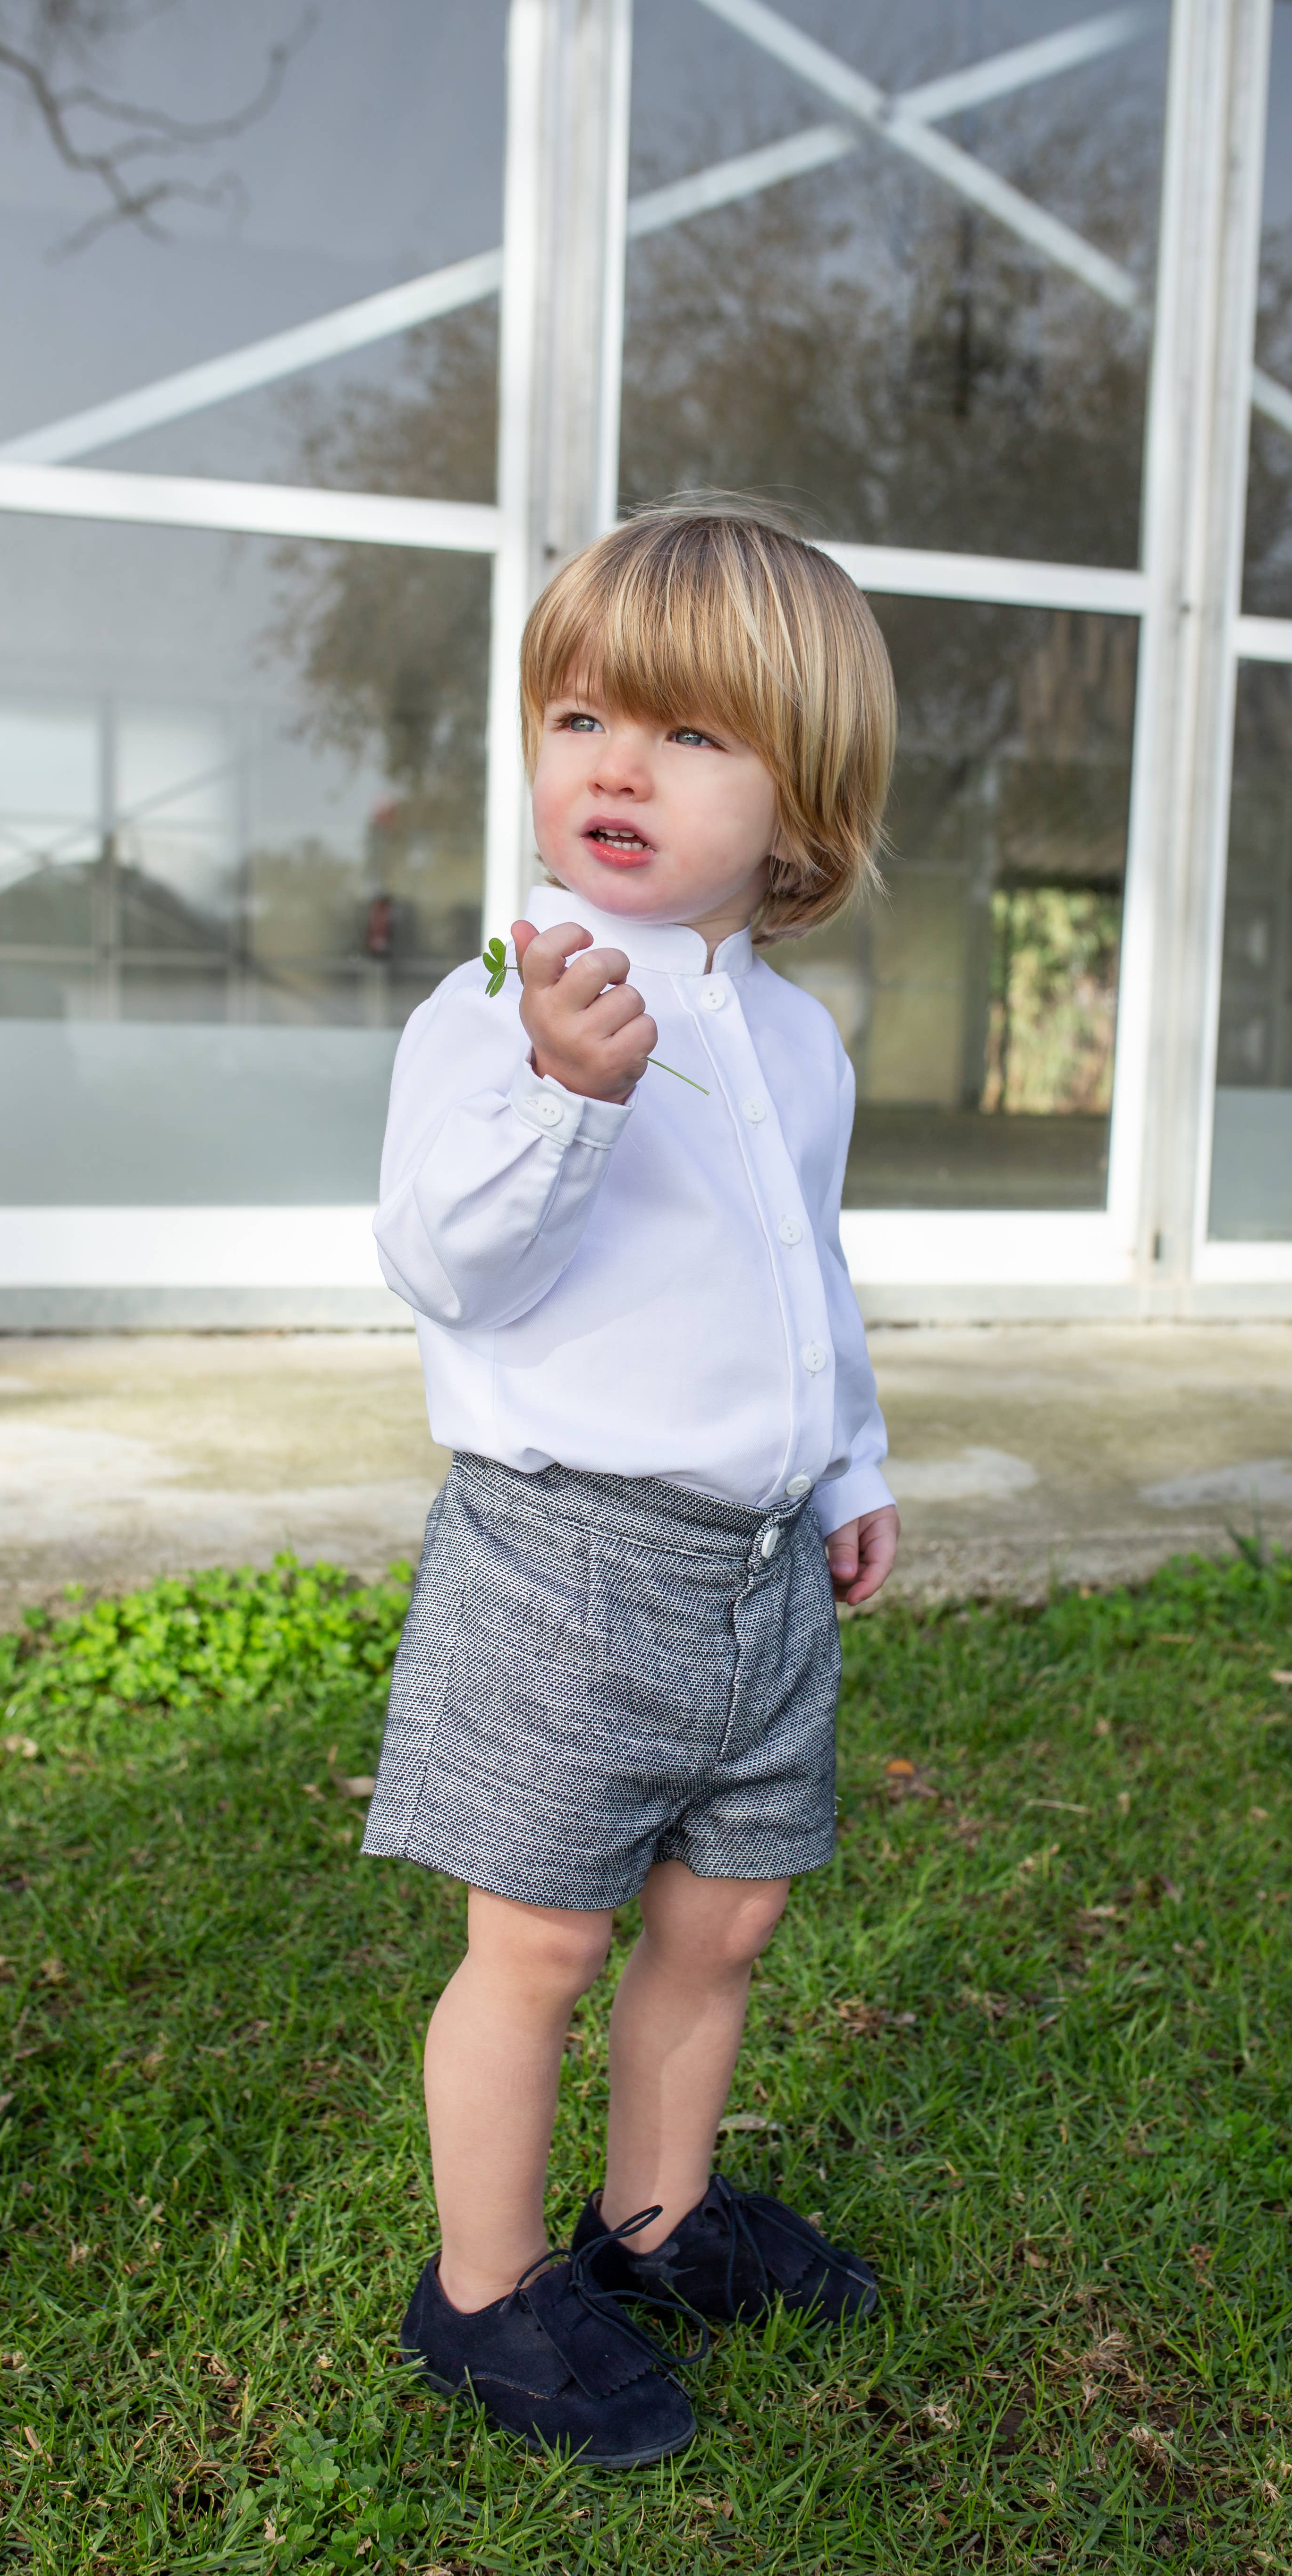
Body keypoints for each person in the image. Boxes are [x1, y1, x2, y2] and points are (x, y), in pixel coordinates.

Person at [362, 502, 901, 2466]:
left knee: (726, 1920)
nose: (616, 765)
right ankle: (486, 2293)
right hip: (567, 1568)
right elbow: (450, 1268)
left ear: (799, 801)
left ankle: (657, 2224)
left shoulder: (795, 1040)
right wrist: (562, 1100)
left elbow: (801, 1272)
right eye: (582, 717)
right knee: (541, 1945)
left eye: (688, 734)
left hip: (754, 1571)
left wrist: (847, 1458)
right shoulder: (505, 1003)